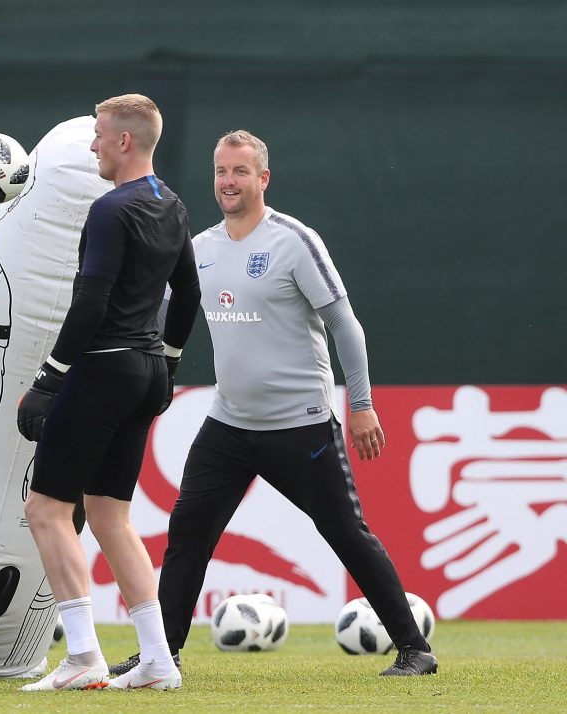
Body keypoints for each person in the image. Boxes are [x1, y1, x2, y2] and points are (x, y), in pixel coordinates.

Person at [109, 130, 438, 678]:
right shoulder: (201, 249)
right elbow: (161, 311)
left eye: (240, 172)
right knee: (188, 534)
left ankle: (414, 649)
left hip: (301, 426)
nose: (228, 182)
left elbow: (344, 326)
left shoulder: (294, 240)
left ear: (263, 179)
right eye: (221, 172)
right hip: (228, 425)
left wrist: (360, 404)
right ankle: (159, 655)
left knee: (346, 534)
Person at [16, 94, 201, 691]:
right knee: (109, 515)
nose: (93, 145)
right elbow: (189, 297)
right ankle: (157, 660)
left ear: (125, 142)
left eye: (99, 135)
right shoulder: (171, 205)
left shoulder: (110, 209)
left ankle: (83, 656)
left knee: (45, 509)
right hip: (146, 370)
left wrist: (48, 378)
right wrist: (168, 364)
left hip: (102, 368)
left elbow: (91, 303)